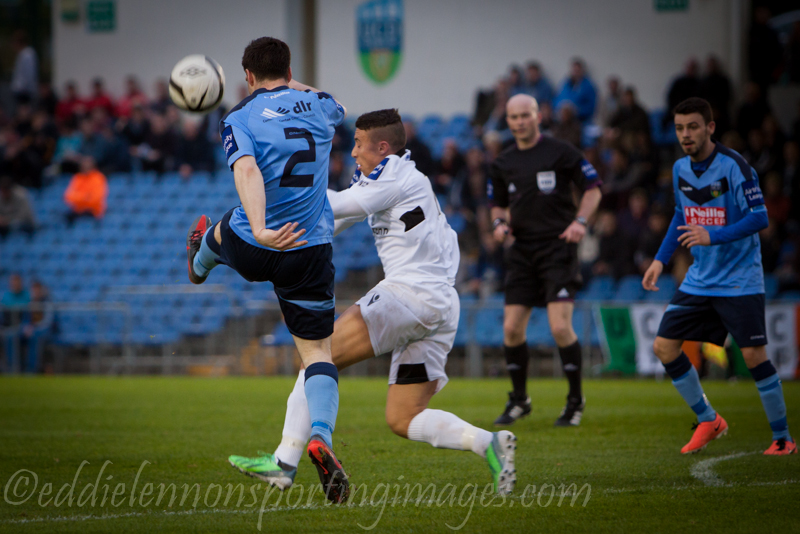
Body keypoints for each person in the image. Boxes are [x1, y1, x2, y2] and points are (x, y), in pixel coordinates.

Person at [229, 109, 517, 496]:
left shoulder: (392, 172)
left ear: (382, 147)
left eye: (359, 145)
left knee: (316, 356)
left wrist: (269, 199)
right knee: (404, 417)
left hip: (408, 294)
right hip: (441, 306)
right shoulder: (394, 179)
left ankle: (284, 462)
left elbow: (335, 208)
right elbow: (337, 219)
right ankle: (490, 444)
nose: (353, 153)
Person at [183, 37, 349, 502]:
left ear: (248, 77)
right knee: (317, 353)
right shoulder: (320, 105)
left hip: (258, 242)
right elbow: (334, 101)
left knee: (218, 235)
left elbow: (248, 171)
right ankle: (321, 437)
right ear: (290, 70)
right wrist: (292, 86)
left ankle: (199, 260)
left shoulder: (238, 117)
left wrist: (260, 227)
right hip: (309, 249)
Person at [642, 97, 794, 456]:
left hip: (740, 278)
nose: (685, 134)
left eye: (693, 126)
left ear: (710, 127)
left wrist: (713, 235)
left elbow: (760, 217)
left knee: (754, 356)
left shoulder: (735, 166)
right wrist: (660, 260)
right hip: (700, 278)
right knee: (664, 347)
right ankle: (708, 420)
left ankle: (783, 439)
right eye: (679, 128)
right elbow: (681, 216)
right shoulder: (679, 169)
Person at [488, 94, 602, 427]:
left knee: (560, 326)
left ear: (538, 116)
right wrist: (498, 224)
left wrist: (580, 222)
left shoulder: (562, 152)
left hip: (558, 248)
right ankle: (520, 400)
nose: (520, 122)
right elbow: (496, 205)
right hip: (522, 251)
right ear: (507, 121)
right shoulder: (503, 162)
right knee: (510, 329)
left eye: (525, 115)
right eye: (513, 117)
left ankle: (575, 401)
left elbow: (594, 188)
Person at [63, 156, 108, 224]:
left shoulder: (98, 178)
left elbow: (95, 198)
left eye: (87, 164)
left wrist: (78, 197)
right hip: (78, 210)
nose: (85, 167)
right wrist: (85, 197)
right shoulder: (77, 177)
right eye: (84, 165)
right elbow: (68, 197)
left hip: (94, 211)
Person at [553, 59, 597, 123]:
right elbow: (556, 99)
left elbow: (591, 106)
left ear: (582, 71)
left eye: (578, 71)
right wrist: (561, 108)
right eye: (574, 70)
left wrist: (577, 111)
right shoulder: (565, 84)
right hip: (563, 122)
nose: (576, 73)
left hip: (581, 122)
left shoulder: (588, 87)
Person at [10, 30, 38, 105]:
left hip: (24, 91)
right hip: (20, 90)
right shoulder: (21, 54)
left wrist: (23, 88)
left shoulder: (27, 55)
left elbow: (29, 73)